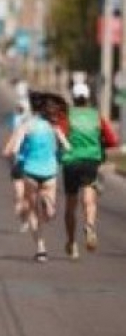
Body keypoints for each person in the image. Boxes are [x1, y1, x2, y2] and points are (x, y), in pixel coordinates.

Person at [3, 93, 70, 263]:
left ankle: (41, 249)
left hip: (30, 171)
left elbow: (15, 149)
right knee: (49, 212)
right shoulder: (53, 127)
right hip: (50, 172)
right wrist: (58, 153)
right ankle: (49, 205)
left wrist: (17, 155)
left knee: (33, 211)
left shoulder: (26, 125)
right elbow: (67, 147)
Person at [61, 82, 118, 259]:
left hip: (70, 162)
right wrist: (100, 144)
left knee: (71, 203)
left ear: (73, 97)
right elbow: (112, 139)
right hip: (90, 161)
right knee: (89, 196)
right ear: (87, 97)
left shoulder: (66, 116)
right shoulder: (96, 116)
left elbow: (60, 136)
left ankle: (72, 243)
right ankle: (90, 225)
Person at [7, 100, 31, 232]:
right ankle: (24, 217)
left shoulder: (32, 123)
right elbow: (13, 136)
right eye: (18, 107)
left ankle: (27, 218)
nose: (19, 109)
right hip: (18, 161)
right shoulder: (15, 119)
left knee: (27, 196)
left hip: (31, 163)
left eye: (21, 108)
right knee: (19, 194)